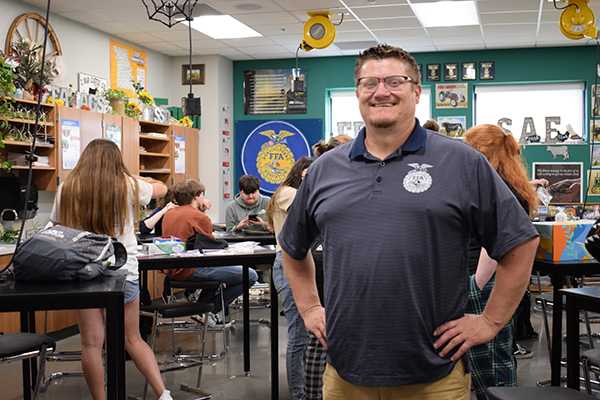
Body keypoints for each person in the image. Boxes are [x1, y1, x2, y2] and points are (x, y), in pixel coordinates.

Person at [278, 43, 539, 400]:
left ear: (416, 92)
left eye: (394, 81)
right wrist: (309, 307)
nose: (381, 91)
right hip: (345, 374)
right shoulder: (325, 169)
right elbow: (291, 247)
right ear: (357, 93)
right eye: (369, 82)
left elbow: (521, 242)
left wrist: (490, 321)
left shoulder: (461, 162)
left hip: (435, 376)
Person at [50, 139, 172, 400]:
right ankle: (163, 394)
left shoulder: (67, 187)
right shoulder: (126, 185)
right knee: (133, 339)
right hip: (123, 271)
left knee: (91, 343)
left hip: (84, 273)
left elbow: (56, 226)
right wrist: (131, 175)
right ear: (117, 163)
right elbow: (161, 189)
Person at [464, 124, 541, 399]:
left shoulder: (500, 188)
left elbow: (497, 245)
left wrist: (475, 286)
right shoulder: (510, 184)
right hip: (481, 277)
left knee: (491, 364)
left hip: (484, 280)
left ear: (482, 152)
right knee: (492, 357)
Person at [162, 179, 258, 327]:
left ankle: (202, 310)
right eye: (202, 194)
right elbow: (212, 249)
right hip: (192, 268)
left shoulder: (169, 214)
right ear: (195, 196)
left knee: (225, 275)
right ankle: (210, 310)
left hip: (172, 269)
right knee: (250, 275)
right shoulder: (200, 217)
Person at [304, 134, 353, 400]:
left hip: (326, 272)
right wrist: (310, 307)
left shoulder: (319, 177)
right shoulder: (325, 178)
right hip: (331, 279)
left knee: (318, 341)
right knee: (321, 339)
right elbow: (292, 246)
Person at [265, 156, 314, 400]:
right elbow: (314, 204)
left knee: (309, 332)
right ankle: (298, 394)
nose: (311, 182)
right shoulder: (286, 192)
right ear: (297, 175)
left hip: (306, 264)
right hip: (287, 265)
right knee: (298, 333)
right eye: (307, 177)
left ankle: (309, 388)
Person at [139, 186, 211, 236]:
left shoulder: (188, 210)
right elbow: (143, 228)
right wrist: (163, 211)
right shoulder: (164, 210)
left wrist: (200, 208)